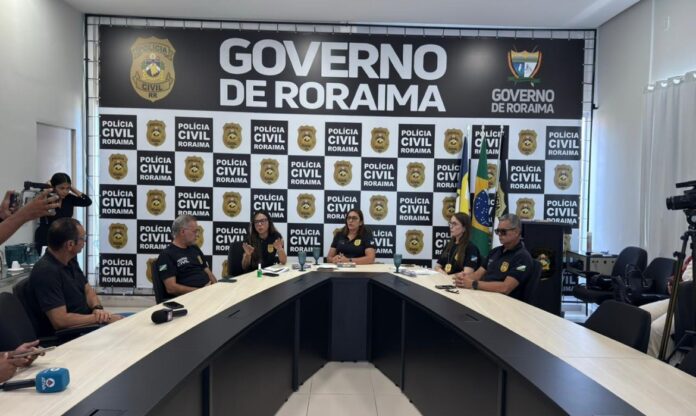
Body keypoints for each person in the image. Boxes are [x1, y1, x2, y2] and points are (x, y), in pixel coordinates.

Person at [23, 218, 122, 337]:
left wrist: (97, 308)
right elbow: (60, 321)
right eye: (82, 238)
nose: (84, 242)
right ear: (70, 244)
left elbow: (87, 289)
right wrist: (99, 318)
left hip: (89, 323)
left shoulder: (69, 259)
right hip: (73, 334)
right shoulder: (46, 272)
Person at [453, 213, 533, 300]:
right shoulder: (495, 252)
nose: (499, 234)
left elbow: (505, 288)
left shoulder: (523, 257)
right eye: (497, 231)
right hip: (485, 296)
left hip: (505, 302)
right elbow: (477, 275)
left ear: (516, 232)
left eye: (503, 231)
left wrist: (474, 284)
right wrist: (463, 279)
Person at [641, 256, 693, 359]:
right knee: (640, 315)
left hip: (691, 306)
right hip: (679, 298)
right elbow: (683, 276)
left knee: (657, 329)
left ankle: (661, 365)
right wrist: (673, 283)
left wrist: (681, 287)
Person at [156, 215, 217, 297]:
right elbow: (171, 288)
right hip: (189, 299)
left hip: (207, 294)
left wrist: (216, 289)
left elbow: (207, 271)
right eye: (194, 231)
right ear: (183, 232)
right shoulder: (166, 255)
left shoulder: (195, 248)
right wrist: (200, 292)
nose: (197, 235)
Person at [34, 173, 92, 253]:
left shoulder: (69, 198)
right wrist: (48, 188)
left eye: (67, 188)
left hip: (64, 237)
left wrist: (73, 189)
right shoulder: (47, 197)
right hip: (46, 236)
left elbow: (87, 202)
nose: (65, 191)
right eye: (61, 188)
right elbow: (38, 198)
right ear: (54, 187)